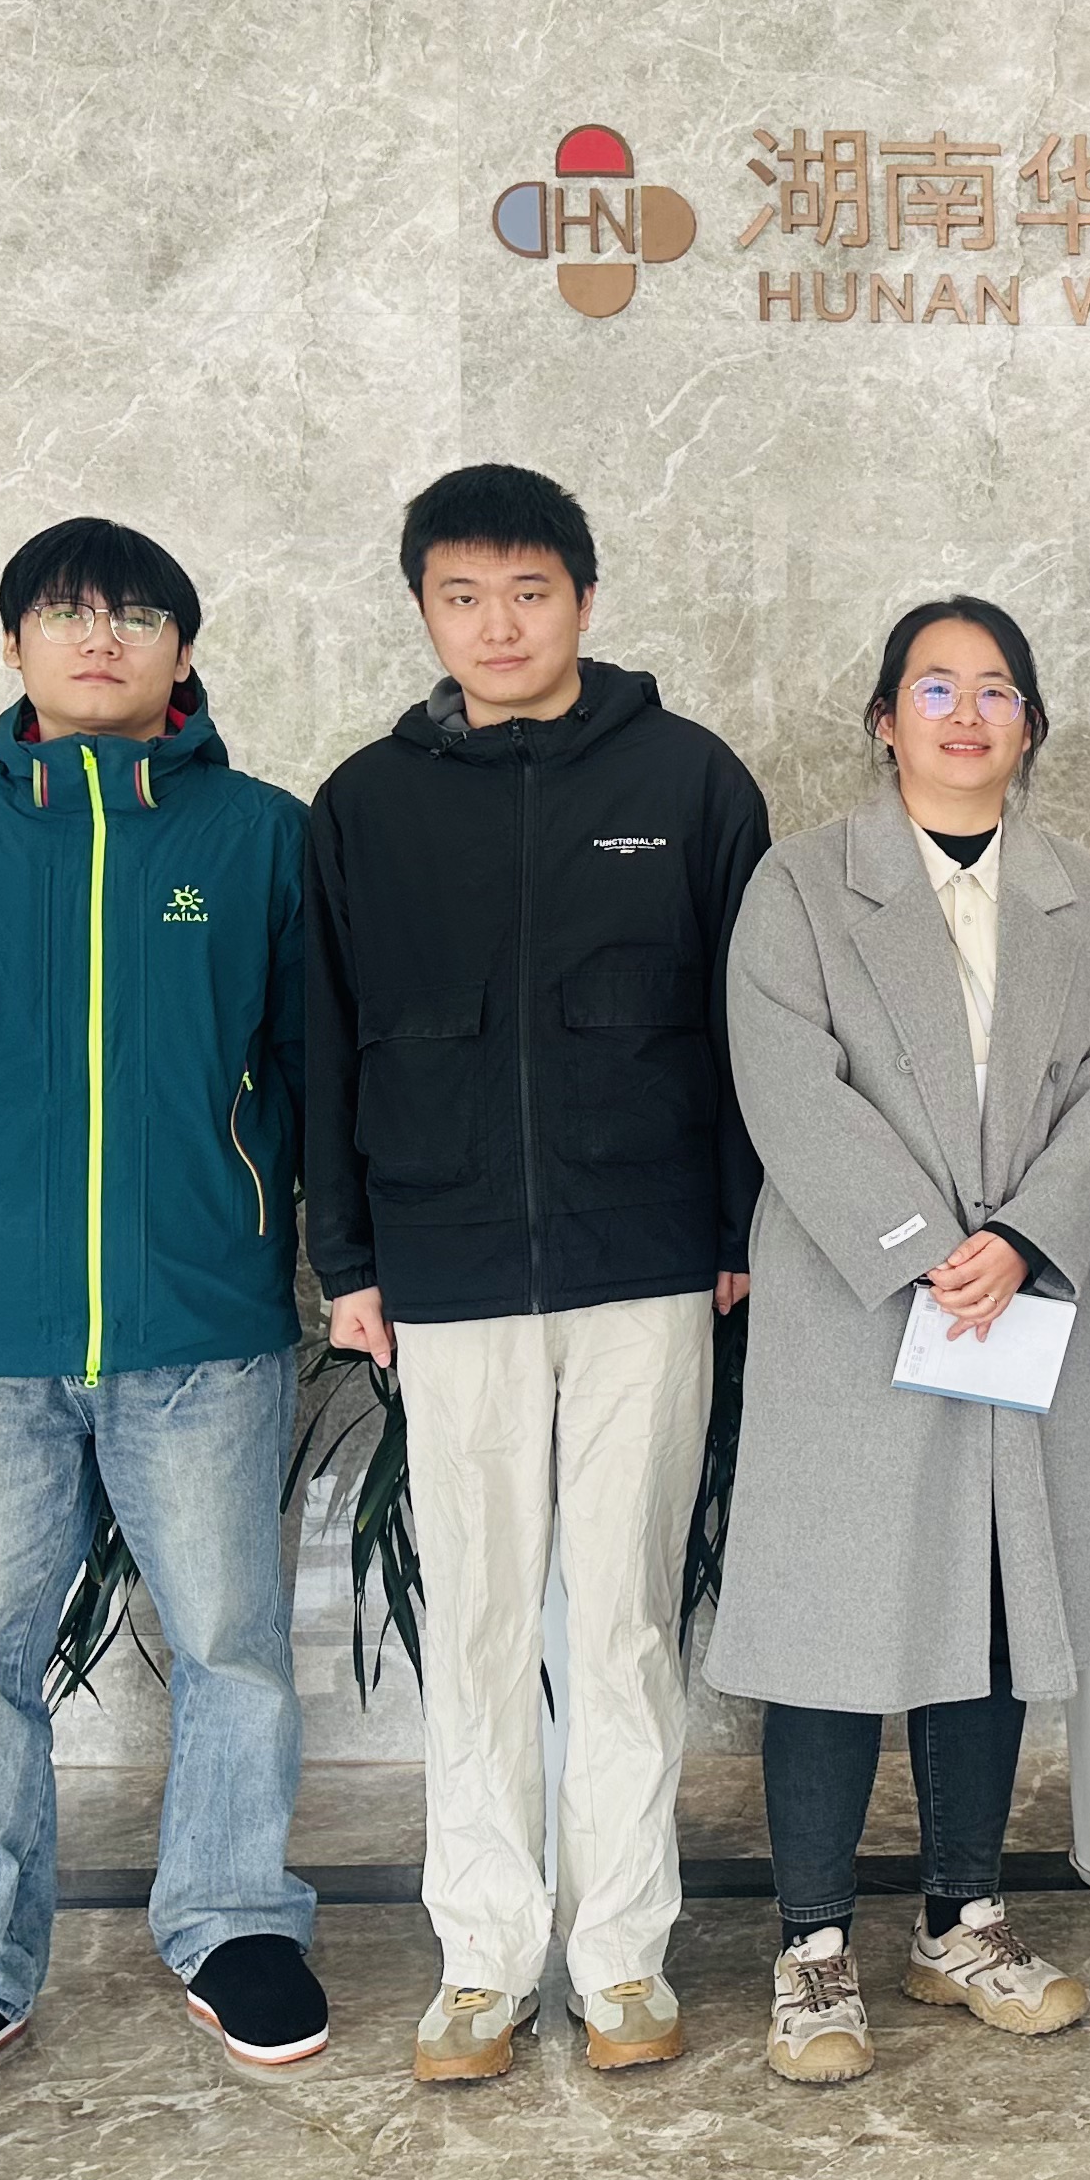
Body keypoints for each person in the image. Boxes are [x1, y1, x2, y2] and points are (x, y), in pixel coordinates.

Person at [0, 519, 326, 2120]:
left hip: (204, 1322)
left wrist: (254, 1201)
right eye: (64, 612)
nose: (98, 636)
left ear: (183, 648)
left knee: (232, 1646)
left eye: (134, 614)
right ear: (15, 648)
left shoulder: (261, 838)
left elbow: (311, 1060)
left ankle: (235, 1923)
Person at [299, 464, 771, 2085]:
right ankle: (483, 1962)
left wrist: (736, 1234)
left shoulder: (689, 778)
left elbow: (752, 1027)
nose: (498, 626)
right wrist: (347, 1259)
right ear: (423, 611)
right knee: (484, 1620)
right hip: (445, 1269)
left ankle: (624, 1954)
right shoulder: (366, 803)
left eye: (529, 592)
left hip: (649, 1265)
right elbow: (325, 1043)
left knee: (627, 1617)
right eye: (463, 597)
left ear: (584, 599)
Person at [706, 598, 1090, 2087]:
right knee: (831, 1619)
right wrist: (921, 1245)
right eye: (935, 689)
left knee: (996, 1605)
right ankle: (813, 1947)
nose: (966, 714)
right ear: (885, 720)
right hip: (856, 1300)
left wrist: (1023, 1238)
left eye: (996, 690)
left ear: (1030, 725)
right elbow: (786, 1081)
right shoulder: (802, 883)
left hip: (1021, 1300)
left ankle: (963, 1919)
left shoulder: (1086, 896)